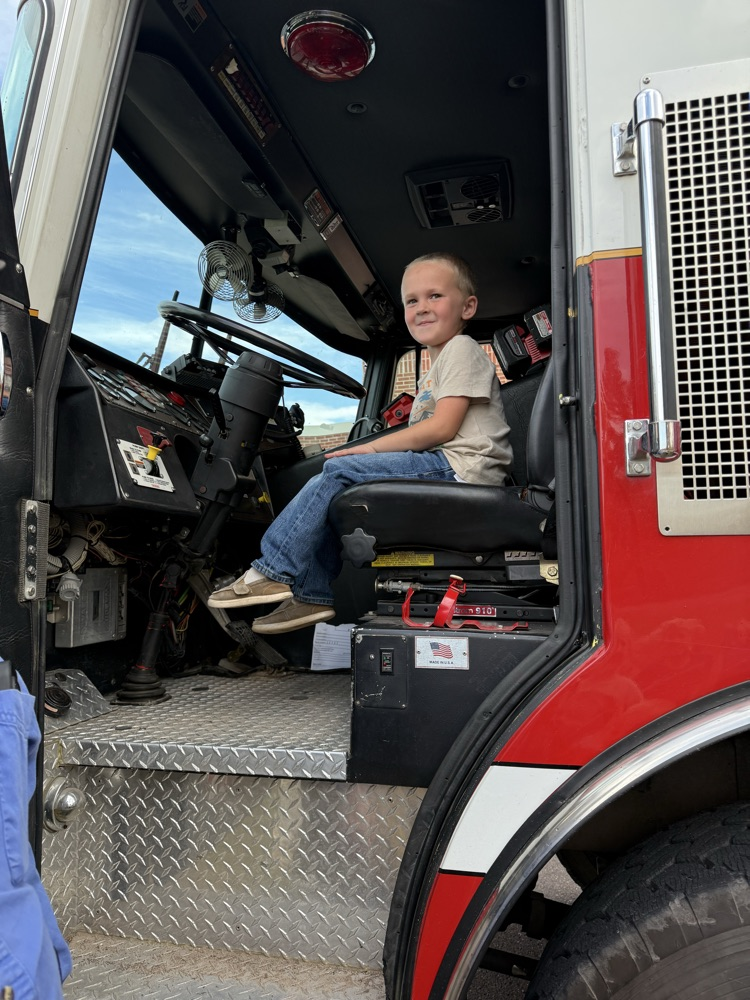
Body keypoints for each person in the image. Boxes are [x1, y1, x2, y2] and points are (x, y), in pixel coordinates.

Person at [208, 252, 513, 633]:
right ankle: (311, 596)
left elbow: (441, 429)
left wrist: (364, 451)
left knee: (339, 470)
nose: (422, 308)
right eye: (412, 300)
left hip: (464, 468)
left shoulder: (462, 349)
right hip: (451, 466)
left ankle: (273, 570)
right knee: (332, 486)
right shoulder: (436, 369)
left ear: (467, 306)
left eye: (435, 296)